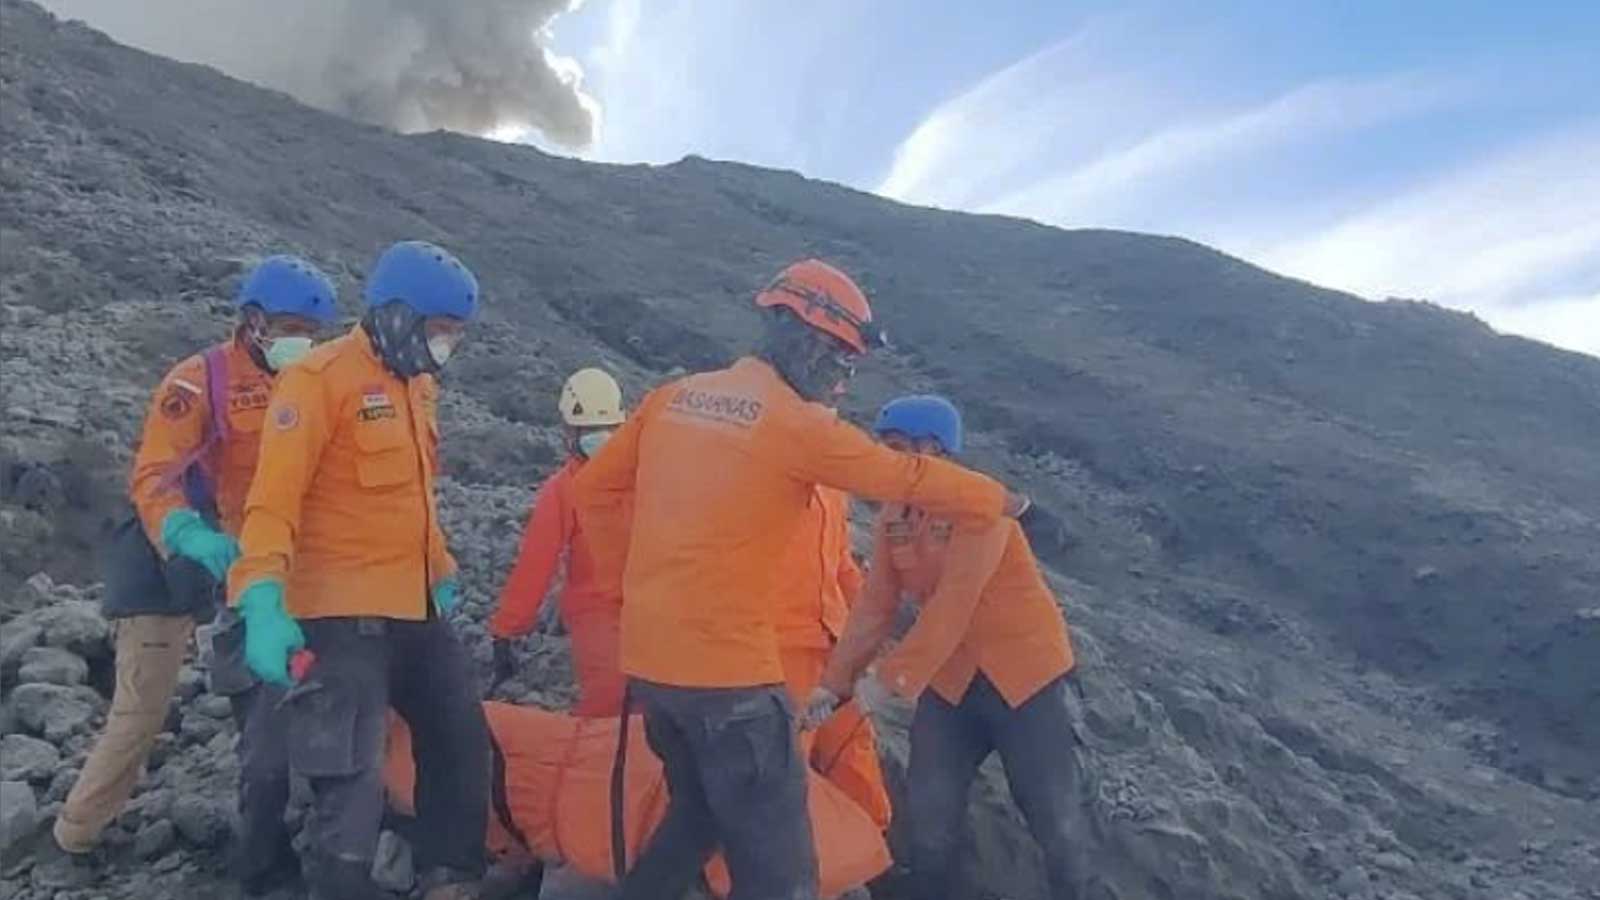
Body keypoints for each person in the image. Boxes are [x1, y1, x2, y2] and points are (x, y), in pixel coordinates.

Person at [573, 259, 1032, 900]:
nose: (845, 377)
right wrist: (998, 499)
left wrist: (629, 587)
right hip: (733, 686)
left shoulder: (672, 398)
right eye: (842, 358)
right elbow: (904, 478)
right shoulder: (793, 425)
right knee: (782, 875)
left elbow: (594, 490)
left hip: (655, 671)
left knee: (696, 819)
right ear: (807, 337)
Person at [53, 256, 336, 895]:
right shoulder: (197, 381)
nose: (304, 343)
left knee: (271, 697)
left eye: (313, 333)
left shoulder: (306, 381)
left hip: (249, 560)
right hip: (171, 560)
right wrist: (185, 533)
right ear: (255, 321)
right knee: (143, 710)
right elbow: (154, 476)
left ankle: (265, 818)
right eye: (293, 327)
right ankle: (74, 834)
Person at [228, 240, 490, 900]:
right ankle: (336, 885)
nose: (445, 346)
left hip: (414, 605)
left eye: (455, 335)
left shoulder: (418, 386)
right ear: (398, 317)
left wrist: (442, 567)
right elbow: (272, 502)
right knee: (351, 778)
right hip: (339, 612)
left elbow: (417, 496)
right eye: (440, 331)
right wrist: (260, 599)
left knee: (461, 737)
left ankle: (449, 874)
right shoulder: (316, 382)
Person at [805, 395, 1091, 900]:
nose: (887, 461)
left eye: (896, 449)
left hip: (1025, 679)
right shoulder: (894, 516)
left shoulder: (981, 505)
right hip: (951, 683)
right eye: (885, 448)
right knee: (931, 811)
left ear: (933, 449)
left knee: (1054, 816)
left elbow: (953, 607)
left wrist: (886, 684)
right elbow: (874, 608)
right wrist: (834, 685)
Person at [488, 367, 628, 717]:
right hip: (615, 609)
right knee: (619, 699)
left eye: (607, 430)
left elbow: (535, 566)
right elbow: (536, 565)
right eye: (593, 432)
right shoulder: (567, 489)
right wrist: (508, 628)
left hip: (630, 606)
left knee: (632, 701)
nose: (601, 439)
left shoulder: (641, 473)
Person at [775, 484, 892, 831]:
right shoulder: (760, 483)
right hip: (784, 650)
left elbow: (840, 564)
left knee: (852, 745)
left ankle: (869, 847)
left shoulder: (831, 491)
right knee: (783, 763)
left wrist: (871, 626)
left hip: (837, 648)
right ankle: (749, 876)